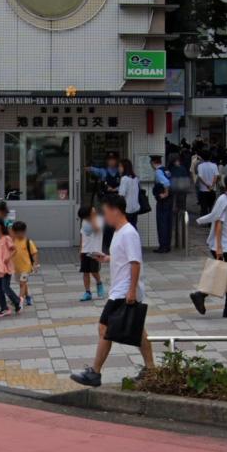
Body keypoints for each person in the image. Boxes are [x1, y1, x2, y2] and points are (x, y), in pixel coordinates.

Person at [71, 195, 154, 388]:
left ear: (115, 210)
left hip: (123, 291)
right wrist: (107, 258)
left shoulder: (128, 233)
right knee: (138, 330)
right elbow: (124, 257)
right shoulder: (119, 232)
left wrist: (131, 291)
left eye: (106, 212)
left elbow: (135, 263)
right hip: (121, 289)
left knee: (104, 328)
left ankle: (95, 372)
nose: (104, 216)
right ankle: (150, 369)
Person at [190, 174, 227, 319]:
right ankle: (205, 297)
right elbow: (218, 223)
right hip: (223, 245)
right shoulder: (223, 200)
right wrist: (220, 248)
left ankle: (205, 297)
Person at [0, 218, 21, 318]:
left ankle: (17, 302)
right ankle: (4, 308)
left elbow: (15, 250)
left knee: (5, 288)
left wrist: (8, 258)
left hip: (5, 267)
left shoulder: (7, 238)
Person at [77, 206, 106, 301]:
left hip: (95, 250)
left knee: (94, 271)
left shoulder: (99, 219)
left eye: (86, 216)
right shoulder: (84, 221)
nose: (85, 219)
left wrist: (93, 215)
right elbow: (82, 235)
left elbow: (97, 229)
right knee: (85, 272)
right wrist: (80, 249)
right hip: (85, 250)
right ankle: (87, 292)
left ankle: (99, 283)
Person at [10, 221, 39, 307]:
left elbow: (34, 253)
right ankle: (28, 296)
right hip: (16, 268)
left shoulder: (28, 242)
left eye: (22, 232)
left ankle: (19, 301)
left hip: (26, 268)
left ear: (24, 231)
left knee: (22, 283)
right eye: (17, 233)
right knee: (22, 283)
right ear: (14, 232)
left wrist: (35, 265)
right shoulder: (13, 241)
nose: (20, 234)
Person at [151, 155, 173, 253]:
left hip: (163, 201)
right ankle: (167, 245)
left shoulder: (158, 171)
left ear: (153, 162)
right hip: (169, 201)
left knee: (162, 223)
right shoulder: (166, 170)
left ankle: (163, 246)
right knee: (167, 223)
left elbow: (166, 183)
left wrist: (165, 193)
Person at [116, 158, 141, 227]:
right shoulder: (135, 178)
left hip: (127, 210)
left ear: (125, 167)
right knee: (133, 227)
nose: (119, 168)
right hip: (135, 208)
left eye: (120, 166)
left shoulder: (124, 179)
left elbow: (121, 195)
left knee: (125, 228)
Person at [196, 151, 219, 216]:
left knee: (204, 207)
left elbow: (200, 176)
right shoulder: (214, 165)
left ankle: (205, 219)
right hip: (212, 189)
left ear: (202, 158)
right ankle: (210, 221)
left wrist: (206, 185)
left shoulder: (200, 166)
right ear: (210, 157)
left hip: (203, 190)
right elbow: (216, 176)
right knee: (211, 206)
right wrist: (212, 185)